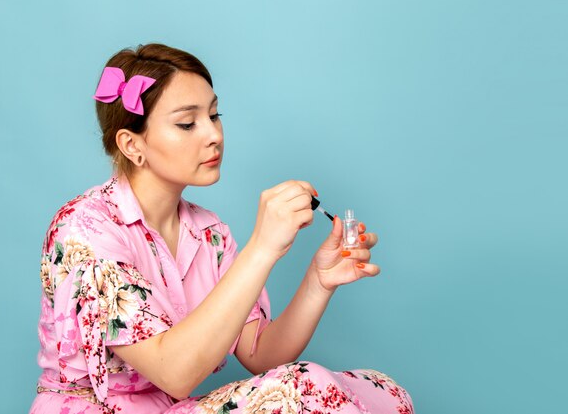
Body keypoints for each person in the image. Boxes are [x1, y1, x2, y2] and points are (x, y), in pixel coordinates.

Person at [29, 43, 414, 414]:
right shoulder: (83, 230)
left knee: (382, 392)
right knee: (304, 386)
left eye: (214, 116)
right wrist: (262, 248)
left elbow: (261, 352)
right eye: (186, 123)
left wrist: (319, 280)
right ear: (132, 145)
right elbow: (175, 373)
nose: (213, 135)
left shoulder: (207, 233)